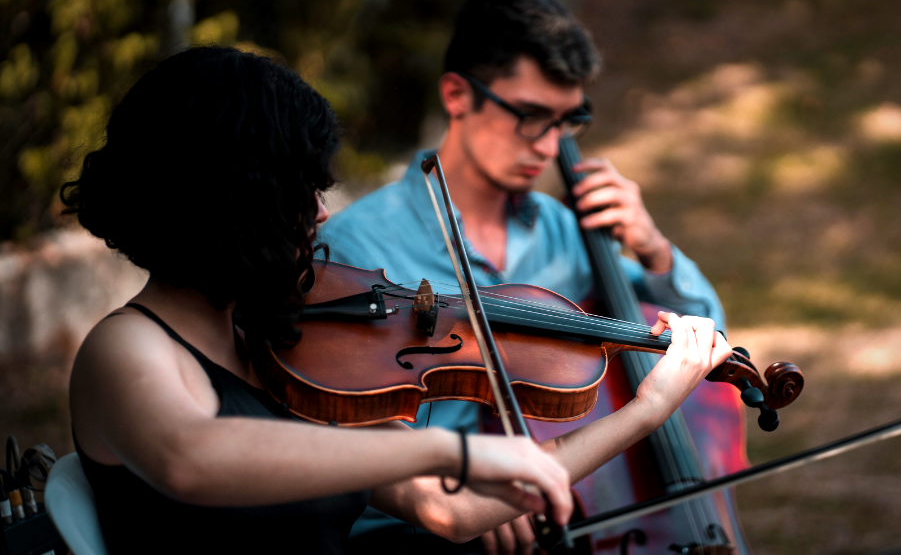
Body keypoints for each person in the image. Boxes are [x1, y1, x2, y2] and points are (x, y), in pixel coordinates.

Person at [63, 46, 731, 555]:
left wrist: (645, 409)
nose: (321, 215)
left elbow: (455, 507)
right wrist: (446, 450)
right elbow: (192, 457)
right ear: (235, 203)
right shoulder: (127, 348)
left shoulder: (289, 344)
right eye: (301, 193)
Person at [319, 0, 731, 555]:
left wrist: (654, 249)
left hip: (558, 510)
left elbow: (701, 341)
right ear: (458, 95)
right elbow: (336, 422)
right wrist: (467, 483)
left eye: (568, 121)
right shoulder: (352, 247)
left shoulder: (566, 233)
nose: (551, 145)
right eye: (532, 117)